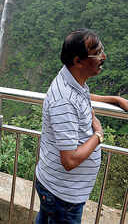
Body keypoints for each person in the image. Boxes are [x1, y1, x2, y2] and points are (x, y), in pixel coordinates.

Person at [35, 29, 128, 224]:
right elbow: (69, 161)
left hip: (57, 189)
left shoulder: (72, 80)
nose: (103, 56)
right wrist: (99, 135)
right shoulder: (64, 100)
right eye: (97, 53)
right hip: (62, 196)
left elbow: (82, 97)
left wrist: (116, 100)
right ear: (78, 61)